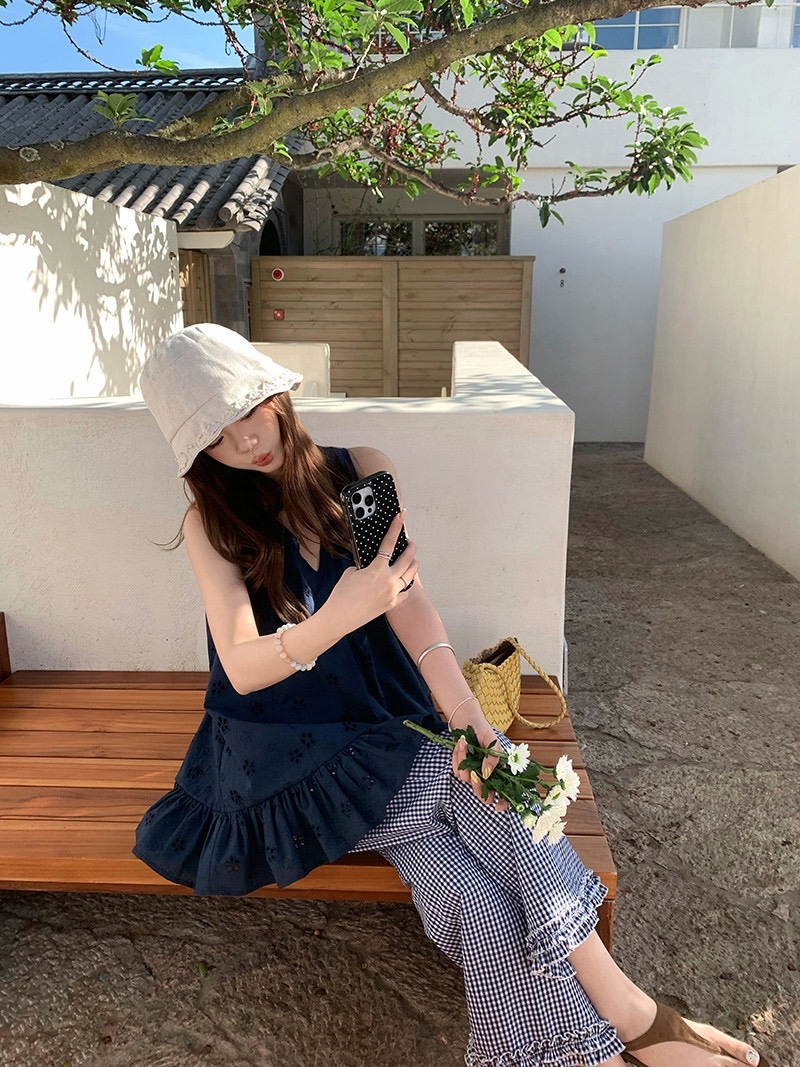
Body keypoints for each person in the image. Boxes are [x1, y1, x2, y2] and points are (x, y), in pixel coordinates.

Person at [135, 323, 768, 1067]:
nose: (245, 441)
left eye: (247, 410)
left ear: (274, 393)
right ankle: (634, 1017)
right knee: (489, 800)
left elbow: (409, 605)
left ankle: (586, 1048)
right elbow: (243, 666)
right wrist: (340, 614)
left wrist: (472, 722)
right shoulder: (211, 522)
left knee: (474, 894)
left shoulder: (359, 475)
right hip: (284, 750)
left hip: (386, 717)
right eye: (215, 436)